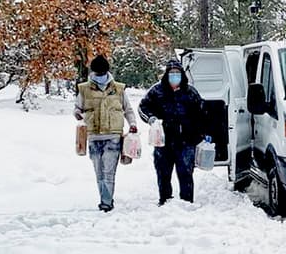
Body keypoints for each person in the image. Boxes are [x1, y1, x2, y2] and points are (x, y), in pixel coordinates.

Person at [74, 55, 138, 212]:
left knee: (108, 172)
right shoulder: (84, 89)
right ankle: (105, 197)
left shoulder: (118, 89)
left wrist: (133, 124)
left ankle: (106, 203)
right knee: (99, 173)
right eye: (97, 73)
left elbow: (127, 109)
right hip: (93, 136)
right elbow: (77, 108)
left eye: (102, 72)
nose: (100, 76)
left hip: (113, 136)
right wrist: (78, 114)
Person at [138, 59, 207, 204]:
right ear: (166, 75)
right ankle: (165, 201)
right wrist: (151, 119)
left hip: (186, 141)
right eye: (172, 73)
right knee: (163, 173)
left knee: (186, 173)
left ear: (182, 74)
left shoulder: (190, 92)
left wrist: (200, 134)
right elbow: (143, 107)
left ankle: (187, 202)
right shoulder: (157, 91)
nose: (174, 76)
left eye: (177, 73)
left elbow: (201, 113)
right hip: (163, 140)